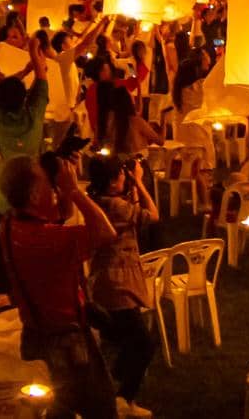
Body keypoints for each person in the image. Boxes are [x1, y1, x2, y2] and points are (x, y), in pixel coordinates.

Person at [0, 153, 119, 419]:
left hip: (34, 338)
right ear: (32, 196)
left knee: (54, 413)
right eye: (46, 184)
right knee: (102, 409)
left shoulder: (8, 225)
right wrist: (74, 190)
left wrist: (63, 192)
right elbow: (106, 233)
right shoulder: (49, 240)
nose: (53, 189)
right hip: (67, 344)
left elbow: (60, 215)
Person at [85, 153, 159, 418]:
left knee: (127, 338)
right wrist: (139, 182)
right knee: (145, 342)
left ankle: (114, 385)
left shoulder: (98, 202)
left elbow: (135, 218)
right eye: (121, 175)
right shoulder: (117, 206)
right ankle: (122, 397)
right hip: (119, 283)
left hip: (107, 280)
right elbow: (152, 215)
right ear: (114, 181)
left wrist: (130, 186)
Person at [0, 42, 51, 310]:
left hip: (2, 196)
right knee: (31, 244)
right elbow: (43, 78)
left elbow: (3, 91)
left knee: (2, 247)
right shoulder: (34, 117)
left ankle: (3, 291)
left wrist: (24, 68)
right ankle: (31, 286)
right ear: (24, 97)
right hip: (30, 195)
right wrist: (35, 52)